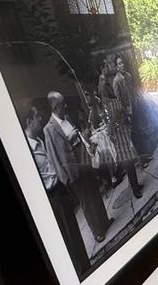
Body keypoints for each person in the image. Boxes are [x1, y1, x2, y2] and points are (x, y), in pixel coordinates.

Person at [24, 101, 90, 273]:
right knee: (68, 239)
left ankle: (86, 267)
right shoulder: (27, 150)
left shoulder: (39, 140)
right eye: (37, 116)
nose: (41, 118)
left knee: (74, 233)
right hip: (51, 197)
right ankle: (81, 271)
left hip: (60, 190)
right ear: (29, 121)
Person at [42, 91, 111, 247]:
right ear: (54, 106)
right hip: (71, 170)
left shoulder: (67, 118)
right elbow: (52, 155)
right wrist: (64, 178)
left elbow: (78, 138)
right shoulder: (49, 129)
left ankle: (105, 222)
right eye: (62, 104)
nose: (65, 106)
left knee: (94, 192)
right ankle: (97, 232)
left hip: (83, 161)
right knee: (85, 201)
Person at [116, 54, 158, 168]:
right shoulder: (117, 81)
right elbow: (119, 101)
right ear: (116, 67)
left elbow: (135, 90)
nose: (122, 65)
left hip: (139, 106)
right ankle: (143, 159)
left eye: (122, 62)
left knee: (154, 125)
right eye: (119, 64)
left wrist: (142, 99)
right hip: (131, 112)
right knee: (140, 135)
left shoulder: (128, 75)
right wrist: (126, 113)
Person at [97, 54, 143, 198]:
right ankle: (134, 189)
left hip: (118, 120)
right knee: (127, 158)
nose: (108, 67)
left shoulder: (105, 82)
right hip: (116, 123)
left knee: (127, 156)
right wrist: (121, 116)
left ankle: (134, 184)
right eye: (106, 65)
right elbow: (110, 106)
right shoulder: (103, 85)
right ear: (102, 68)